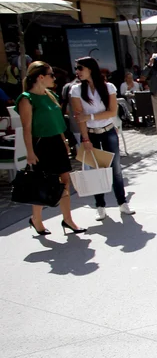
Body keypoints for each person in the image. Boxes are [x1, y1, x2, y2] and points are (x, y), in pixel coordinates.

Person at [15, 61, 85, 235]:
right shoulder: (26, 98)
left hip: (56, 142)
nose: (54, 78)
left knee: (65, 181)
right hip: (41, 144)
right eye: (51, 75)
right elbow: (27, 129)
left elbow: (57, 121)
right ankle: (36, 219)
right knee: (42, 183)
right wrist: (30, 153)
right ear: (40, 77)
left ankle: (67, 220)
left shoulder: (50, 95)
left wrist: (64, 140)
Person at [71, 57, 135, 220]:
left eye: (80, 68)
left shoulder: (108, 87)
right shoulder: (76, 90)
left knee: (116, 170)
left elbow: (112, 112)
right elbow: (80, 117)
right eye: (76, 68)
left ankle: (122, 202)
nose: (77, 71)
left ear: (90, 69)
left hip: (108, 131)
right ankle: (100, 205)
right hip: (90, 134)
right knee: (96, 170)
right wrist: (85, 139)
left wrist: (90, 116)